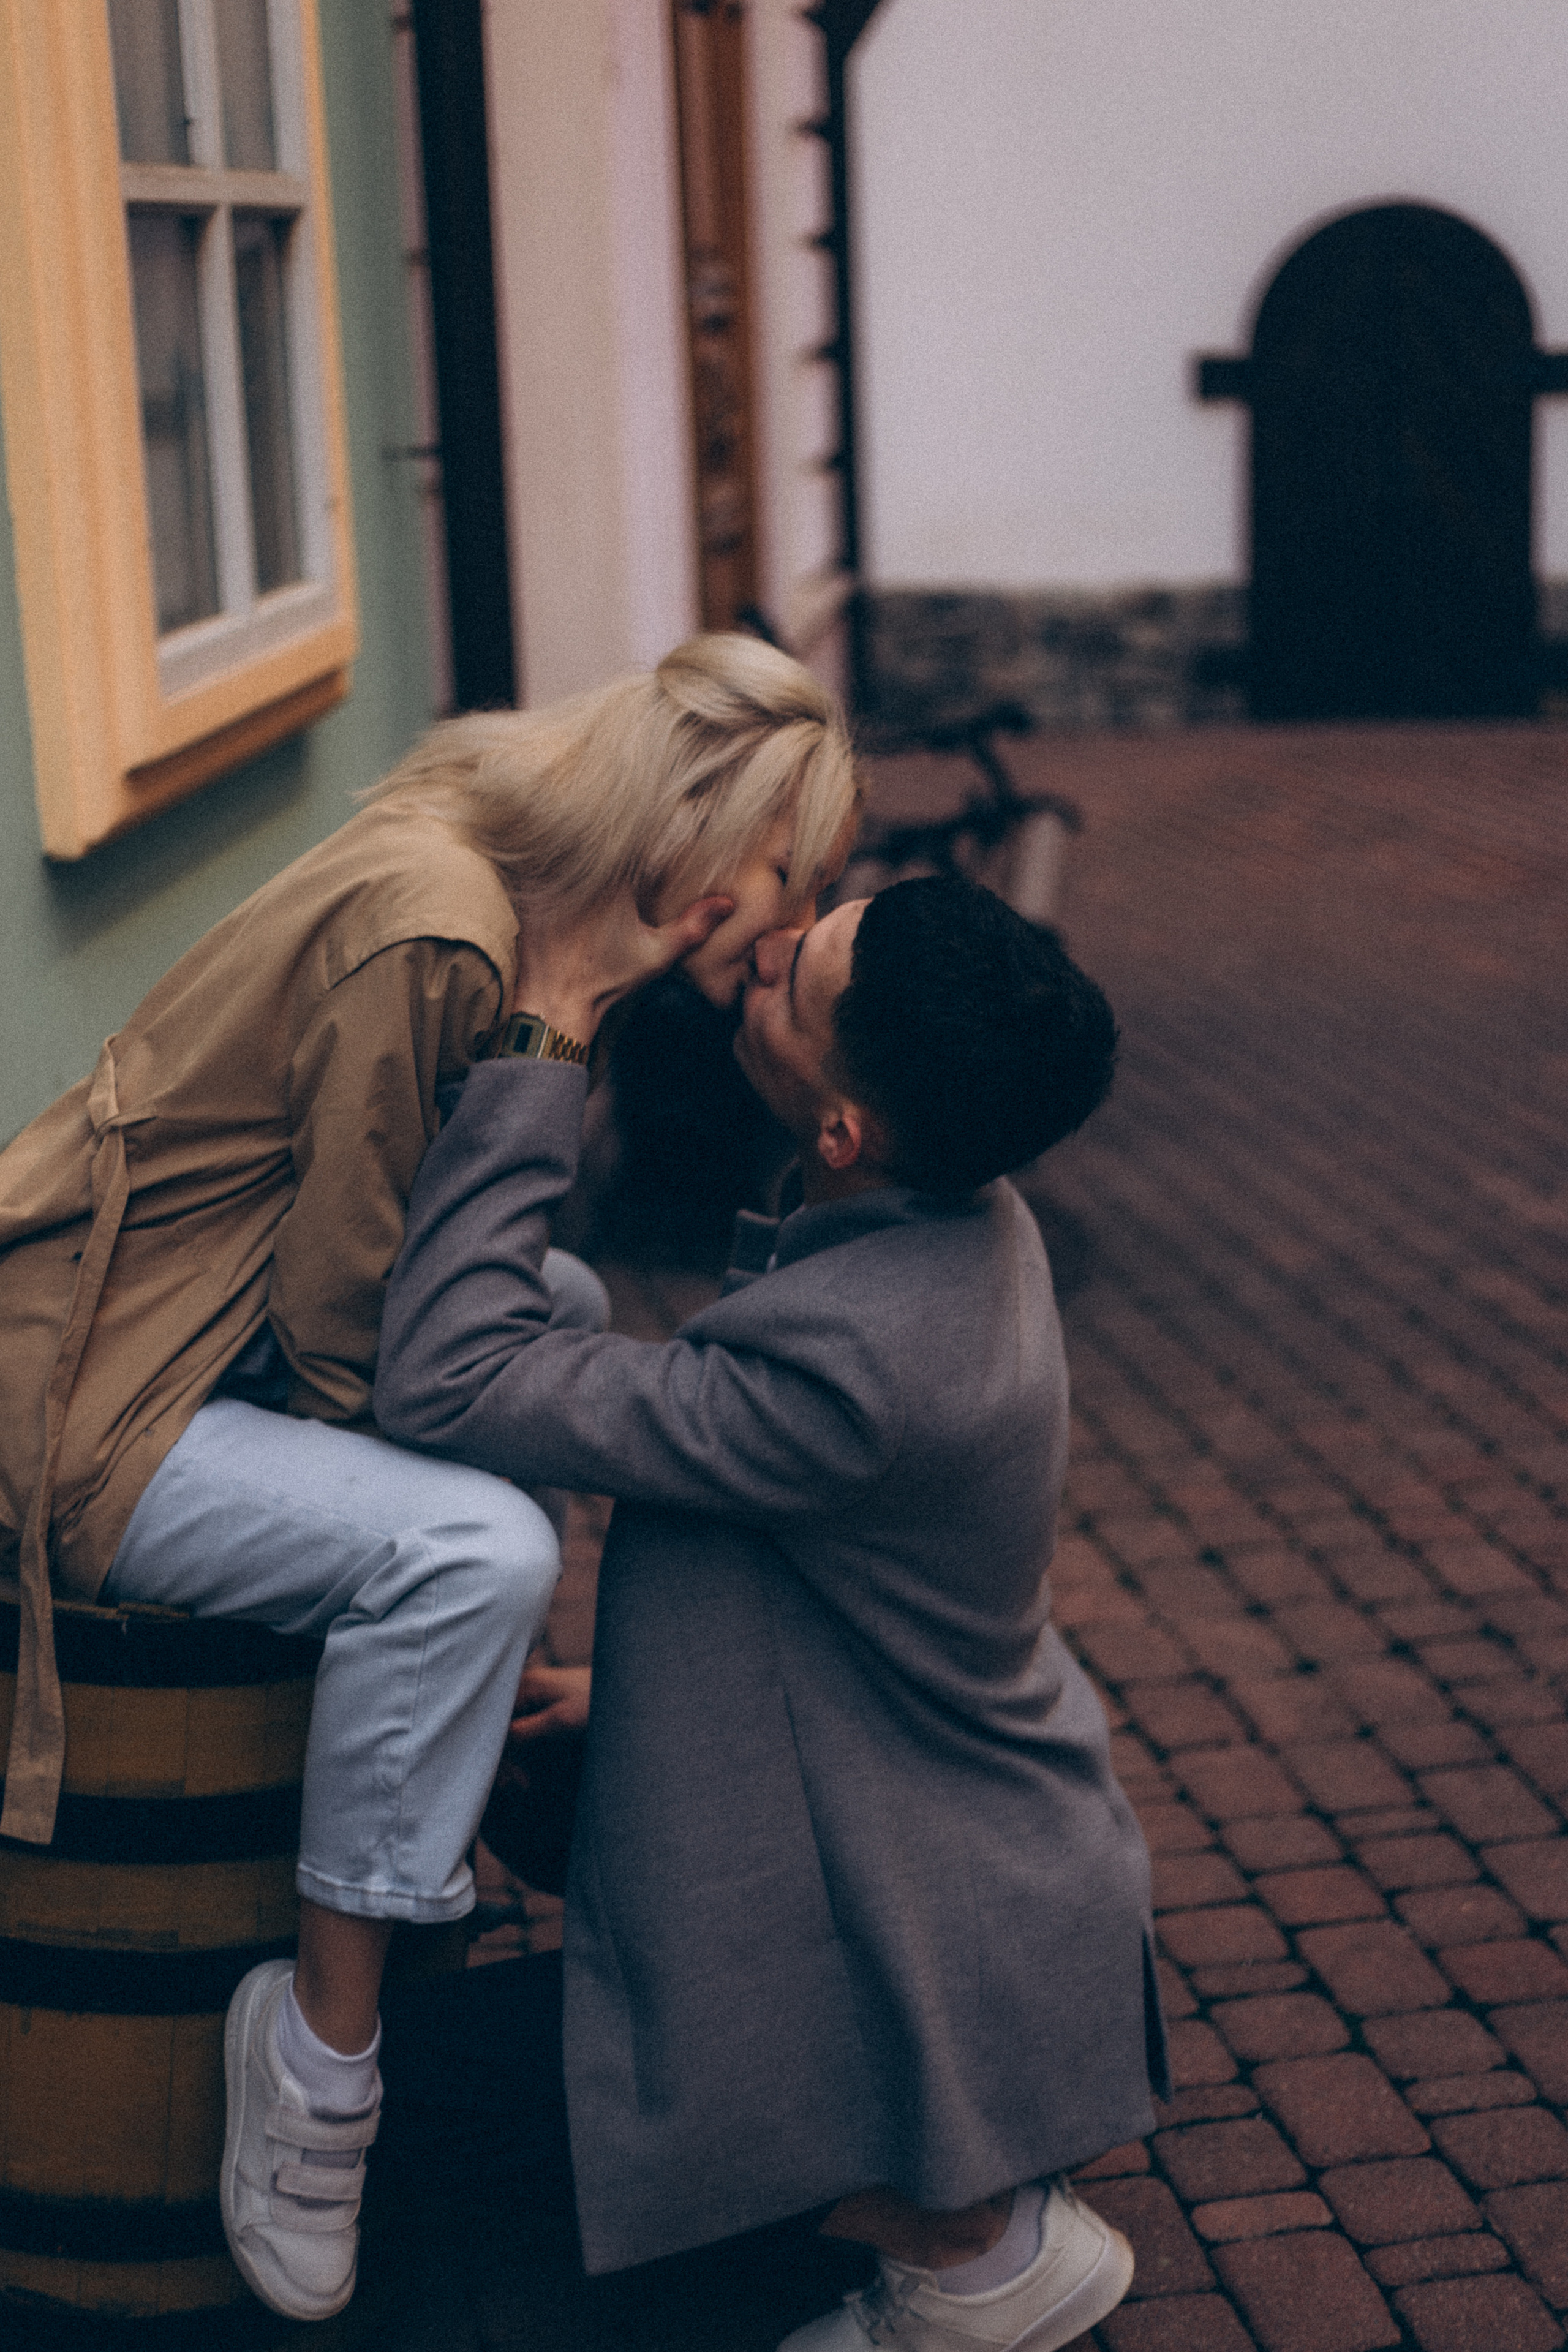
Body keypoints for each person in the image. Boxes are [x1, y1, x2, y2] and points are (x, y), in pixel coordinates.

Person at [0, 633, 856, 2325]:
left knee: (562, 1310)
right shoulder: (449, 927)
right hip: (100, 1383)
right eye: (785, 870)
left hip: (204, 1315)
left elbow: (438, 1273)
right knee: (471, 1549)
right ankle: (317, 2058)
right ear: (698, 824)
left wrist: (566, 1012)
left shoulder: (494, 878)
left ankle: (445, 1753)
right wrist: (563, 1021)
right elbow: (349, 1340)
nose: (782, 919)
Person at [375, 874, 1167, 2352]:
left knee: (399, 2104)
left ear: (843, 1134)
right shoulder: (961, 1218)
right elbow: (843, 1589)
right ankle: (947, 2186)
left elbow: (450, 1372)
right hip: (978, 1861)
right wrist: (642, 1701)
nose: (778, 943)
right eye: (830, 915)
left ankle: (963, 2251)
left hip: (910, 1941)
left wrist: (545, 1035)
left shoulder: (854, 1364)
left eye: (799, 975)